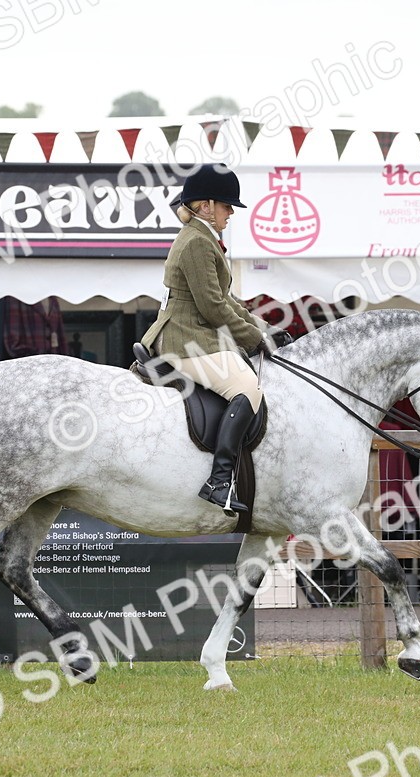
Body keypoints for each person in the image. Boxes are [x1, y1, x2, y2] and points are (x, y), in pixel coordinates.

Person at [139, 164, 290, 515]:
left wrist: (262, 327)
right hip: (184, 337)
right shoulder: (196, 242)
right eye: (225, 206)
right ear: (205, 205)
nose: (231, 213)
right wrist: (254, 339)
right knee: (247, 389)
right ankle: (220, 481)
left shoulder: (203, 238)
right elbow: (212, 307)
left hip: (195, 332)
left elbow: (227, 299)